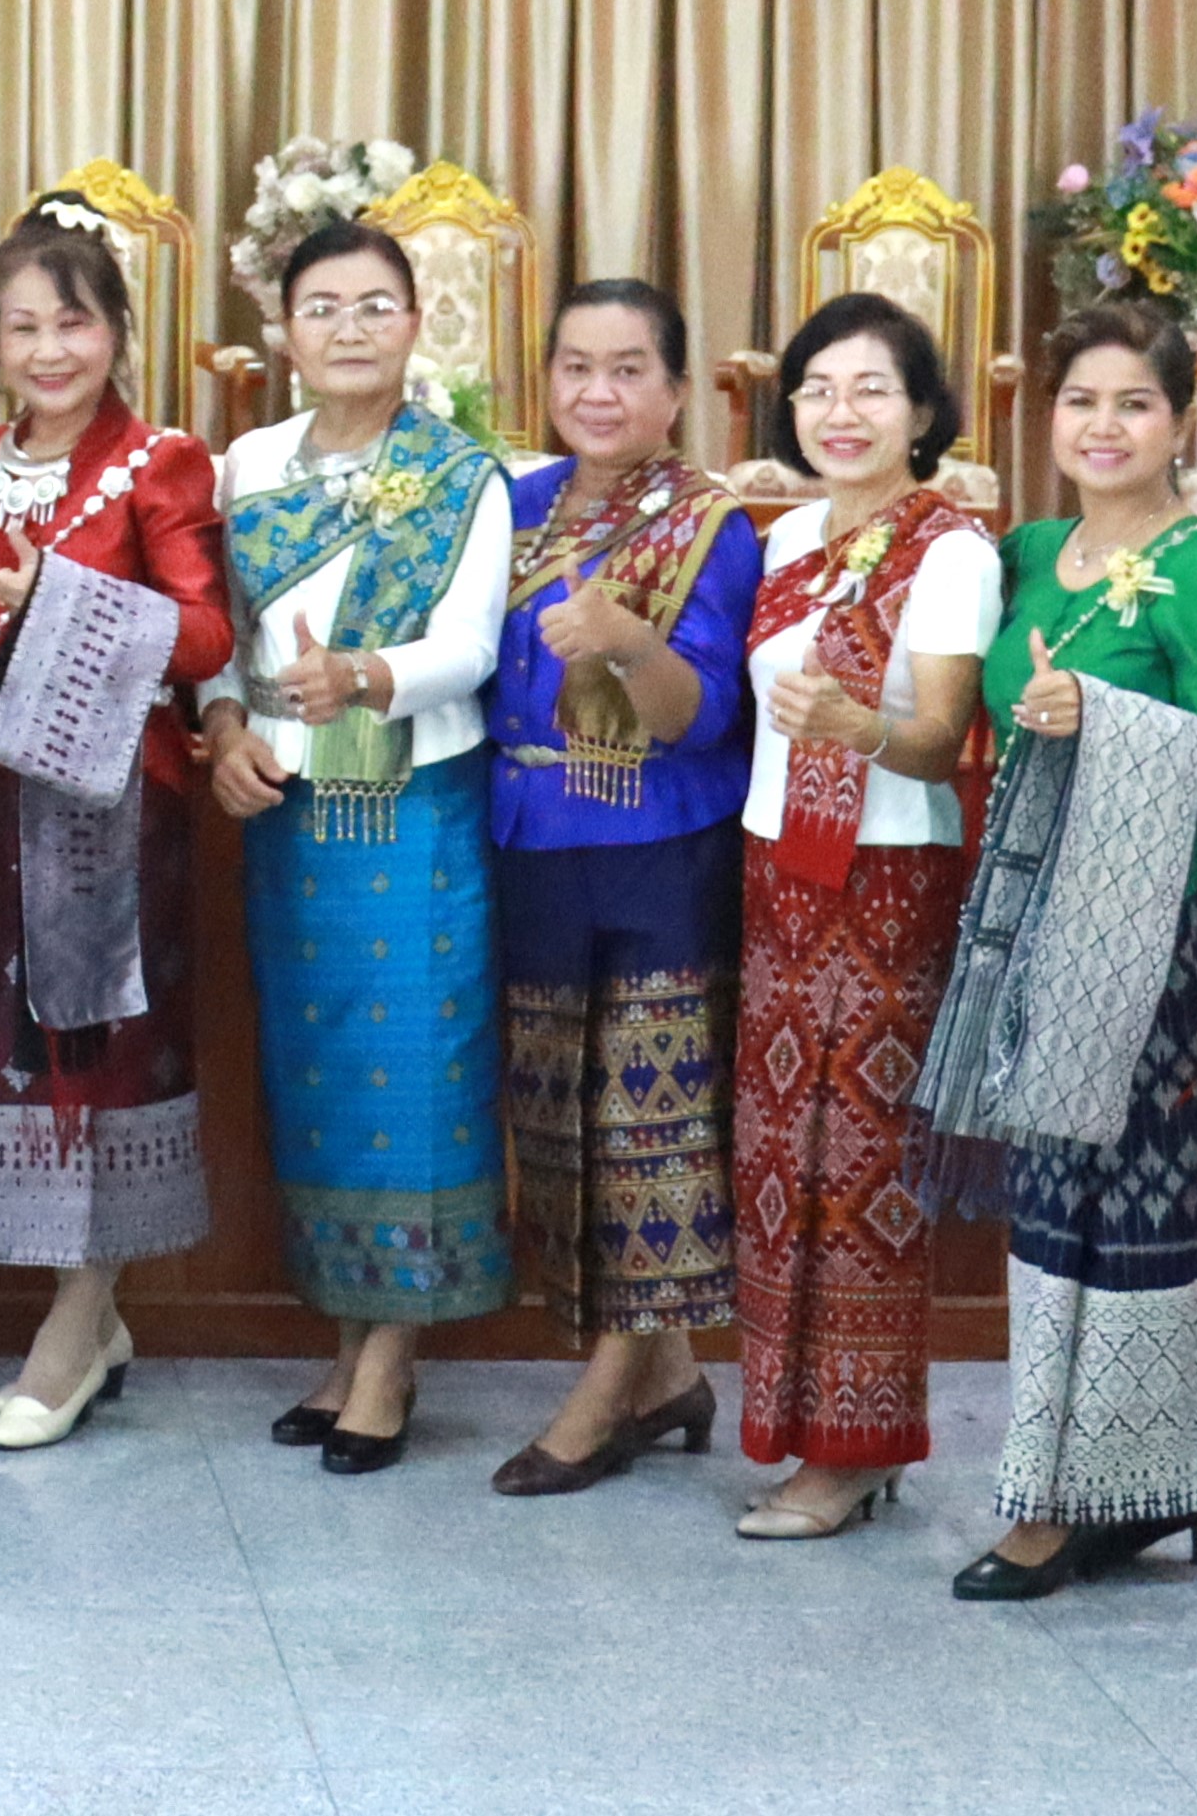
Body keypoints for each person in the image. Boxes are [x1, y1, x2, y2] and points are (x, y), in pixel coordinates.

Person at [936, 304, 1197, 1601]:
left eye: (1134, 401)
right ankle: (1098, 1481)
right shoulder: (1029, 551)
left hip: (1158, 923)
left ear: (1179, 420)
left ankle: (1112, 1489)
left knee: (1146, 1205)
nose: (1104, 425)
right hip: (1038, 918)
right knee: (1054, 1204)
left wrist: (1106, 711)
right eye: (1080, 400)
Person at [0, 196, 232, 1449]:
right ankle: (90, 1315)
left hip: (108, 813)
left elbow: (205, 634)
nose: (48, 350)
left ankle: (76, 1323)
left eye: (73, 323)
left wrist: (71, 597)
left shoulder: (158, 463)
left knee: (96, 1061)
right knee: (5, 1060)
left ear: (116, 332)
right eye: (22, 326)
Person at [196, 218, 518, 1476]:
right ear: (283, 331)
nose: (347, 328)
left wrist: (364, 674)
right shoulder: (246, 463)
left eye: (374, 305)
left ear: (415, 323)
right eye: (320, 306)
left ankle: (392, 1356)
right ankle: (346, 1340)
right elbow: (218, 634)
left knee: (418, 1074)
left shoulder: (463, 473)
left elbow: (472, 645)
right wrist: (223, 726)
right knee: (320, 1074)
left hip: (414, 800)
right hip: (288, 806)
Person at [721, 290, 1002, 1539]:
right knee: (779, 1158)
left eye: (870, 389)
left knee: (860, 1165)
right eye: (817, 389)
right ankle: (797, 1424)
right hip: (777, 870)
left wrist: (854, 727)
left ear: (922, 412)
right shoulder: (786, 537)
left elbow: (938, 743)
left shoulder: (949, 550)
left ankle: (856, 1444)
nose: (840, 412)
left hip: (885, 882)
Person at [484, 281, 761, 1501]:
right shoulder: (514, 504)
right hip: (528, 832)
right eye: (576, 367)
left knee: (650, 1122)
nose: (598, 393)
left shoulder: (712, 523)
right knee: (558, 1116)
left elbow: (701, 717)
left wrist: (627, 641)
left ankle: (601, 1397)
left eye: (628, 369)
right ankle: (668, 1374)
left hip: (659, 842)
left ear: (675, 389)